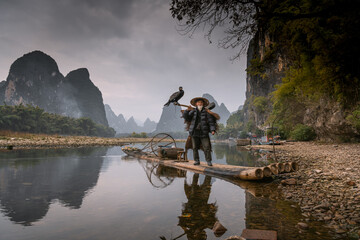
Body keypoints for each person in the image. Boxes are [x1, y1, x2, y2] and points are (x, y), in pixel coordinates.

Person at [183, 97, 216, 166]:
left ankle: (209, 161)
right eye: (198, 103)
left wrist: (213, 129)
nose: (200, 104)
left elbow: (211, 122)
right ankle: (196, 160)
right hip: (194, 132)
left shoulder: (207, 112)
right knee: (195, 147)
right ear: (196, 104)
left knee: (207, 147)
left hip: (204, 132)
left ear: (203, 104)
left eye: (201, 102)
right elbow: (187, 118)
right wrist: (187, 111)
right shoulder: (193, 111)